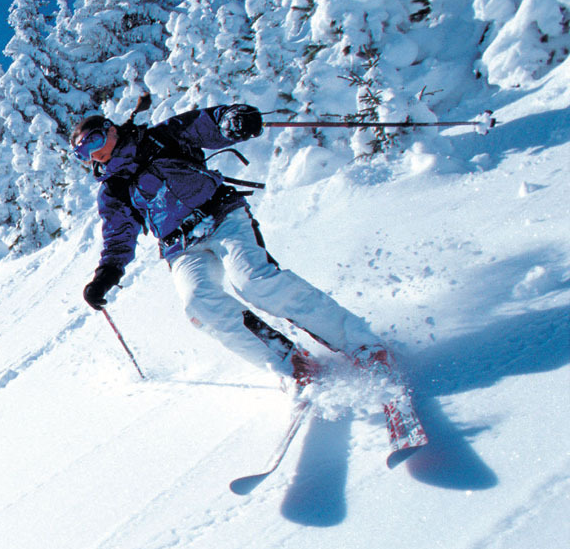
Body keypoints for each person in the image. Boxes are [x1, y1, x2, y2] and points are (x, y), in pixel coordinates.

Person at [72, 97, 392, 387]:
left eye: (95, 141)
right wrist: (106, 274)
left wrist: (235, 120)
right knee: (199, 304)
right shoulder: (113, 190)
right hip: (181, 247)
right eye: (83, 153)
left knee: (254, 281)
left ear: (111, 130)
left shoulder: (161, 137)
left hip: (223, 219)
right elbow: (118, 237)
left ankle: (359, 343)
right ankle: (288, 359)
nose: (94, 154)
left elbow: (209, 123)